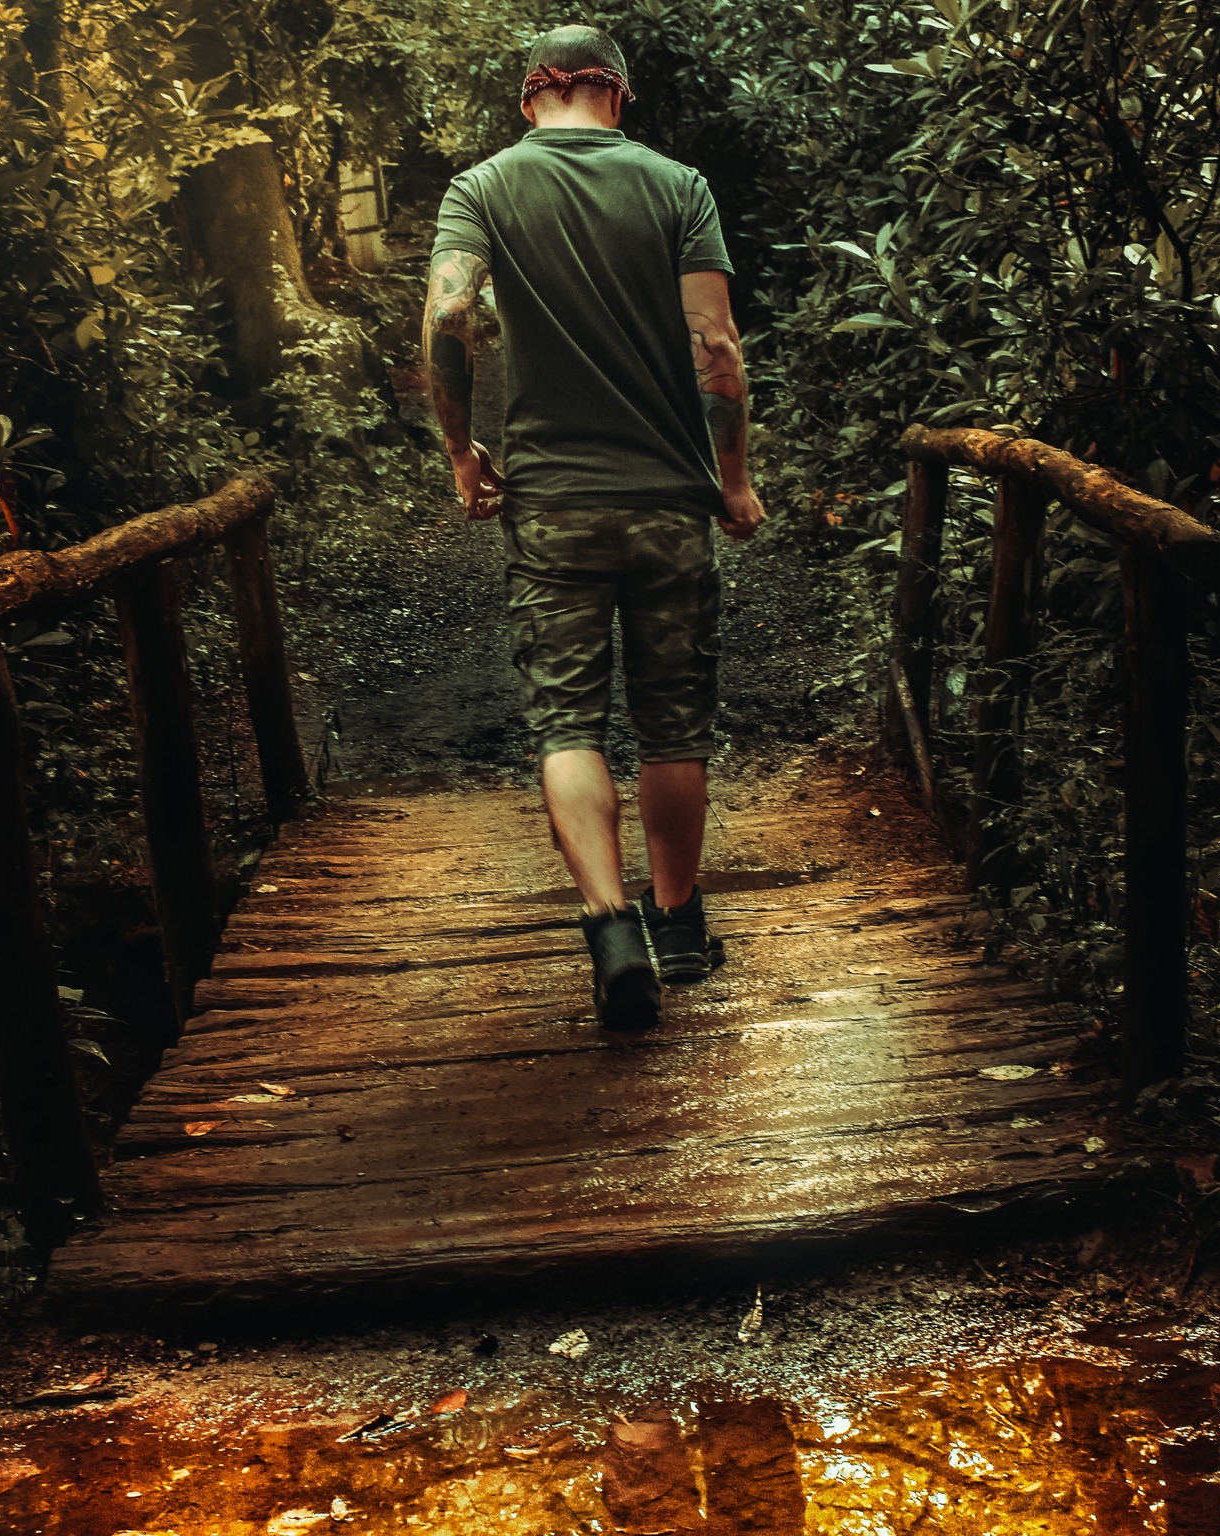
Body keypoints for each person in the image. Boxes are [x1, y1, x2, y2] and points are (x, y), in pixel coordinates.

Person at [423, 23, 766, 1031]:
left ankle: (608, 925)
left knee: (567, 722)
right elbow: (718, 351)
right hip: (667, 499)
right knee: (673, 723)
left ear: (531, 96)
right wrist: (733, 479)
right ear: (615, 94)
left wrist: (460, 451)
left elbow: (447, 318)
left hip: (552, 504)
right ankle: (679, 924)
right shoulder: (676, 186)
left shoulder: (480, 189)